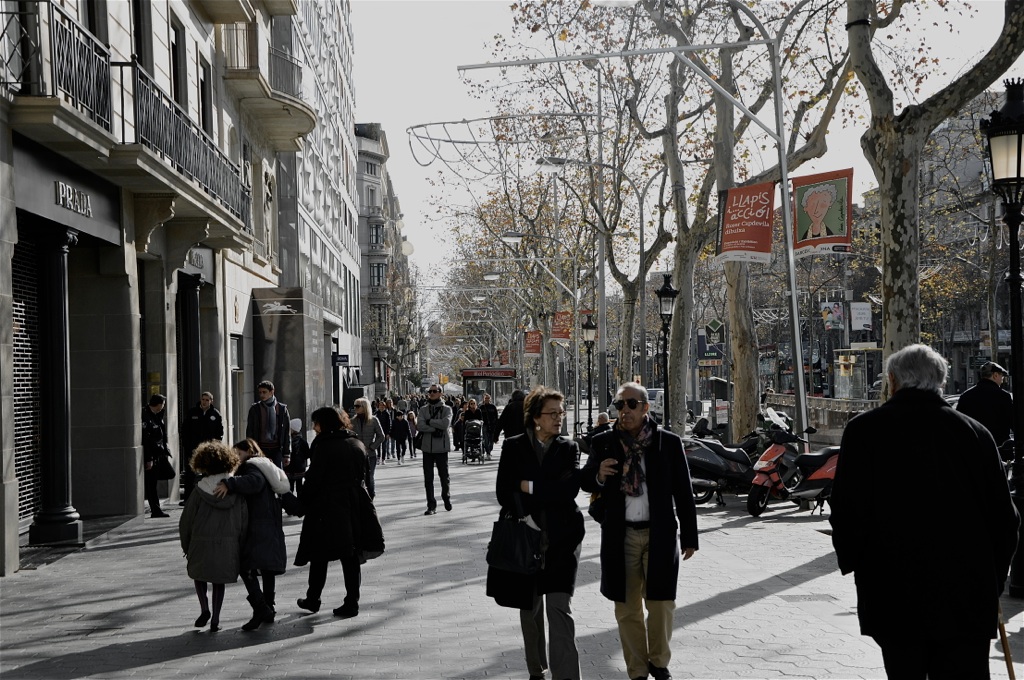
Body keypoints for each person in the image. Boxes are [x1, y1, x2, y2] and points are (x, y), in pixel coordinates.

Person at [830, 344, 1019, 678]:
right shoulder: (975, 434)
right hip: (966, 592)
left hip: (892, 588)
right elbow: (1006, 519)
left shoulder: (864, 431)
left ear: (892, 381)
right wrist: (993, 578)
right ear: (941, 382)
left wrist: (858, 565)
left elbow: (847, 511)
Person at [580, 382, 699, 680]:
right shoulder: (604, 442)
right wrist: (598, 475)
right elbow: (585, 481)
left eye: (631, 404)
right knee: (627, 607)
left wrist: (690, 537)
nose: (625, 411)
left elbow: (684, 492)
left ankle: (659, 663)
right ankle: (637, 670)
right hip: (621, 536)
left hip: (659, 534)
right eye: (620, 405)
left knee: (661, 604)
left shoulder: (667, 443)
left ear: (646, 407)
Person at [486, 386, 585, 680]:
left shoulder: (569, 448)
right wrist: (533, 502)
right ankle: (536, 670)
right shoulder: (514, 446)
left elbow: (569, 491)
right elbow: (504, 490)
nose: (558, 419)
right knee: (529, 609)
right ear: (535, 417)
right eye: (552, 413)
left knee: (559, 607)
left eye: (561, 412)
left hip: (563, 538)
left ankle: (567, 676)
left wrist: (528, 485)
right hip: (523, 534)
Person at [294, 406, 383, 619]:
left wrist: (300, 503)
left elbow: (314, 479)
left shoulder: (324, 446)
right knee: (350, 555)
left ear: (323, 424)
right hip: (353, 504)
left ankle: (313, 599)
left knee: (319, 555)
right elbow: (365, 474)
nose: (314, 428)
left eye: (315, 423)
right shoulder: (355, 442)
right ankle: (352, 601)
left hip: (326, 506)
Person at [215, 439, 291, 631]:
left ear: (248, 452)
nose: (236, 458)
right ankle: (268, 608)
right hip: (269, 524)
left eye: (238, 453)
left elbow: (254, 483)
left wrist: (229, 483)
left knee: (246, 568)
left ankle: (261, 609)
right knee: (266, 568)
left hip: (258, 526)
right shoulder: (267, 466)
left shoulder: (251, 466)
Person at [178, 441, 248, 633]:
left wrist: (187, 546)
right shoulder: (235, 488)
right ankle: (216, 618)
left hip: (200, 542)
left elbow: (186, 521)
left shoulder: (200, 490)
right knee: (219, 581)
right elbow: (244, 520)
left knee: (199, 575)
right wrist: (239, 546)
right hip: (228, 543)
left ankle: (204, 608)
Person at [956, 360, 1014, 452]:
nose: (1002, 380)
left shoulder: (966, 396)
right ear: (995, 375)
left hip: (973, 450)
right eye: (1001, 376)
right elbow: (1014, 422)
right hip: (999, 449)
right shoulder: (1003, 396)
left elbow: (958, 425)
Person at [180, 392, 225, 504]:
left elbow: (219, 433)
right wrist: (187, 445)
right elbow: (185, 430)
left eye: (207, 400)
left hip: (208, 450)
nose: (204, 402)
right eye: (203, 399)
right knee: (190, 474)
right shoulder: (192, 413)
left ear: (211, 401)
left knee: (208, 473)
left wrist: (215, 446)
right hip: (193, 448)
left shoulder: (215, 414)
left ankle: (207, 497)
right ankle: (188, 499)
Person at [417, 384, 453, 515]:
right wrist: (436, 427)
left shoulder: (447, 409)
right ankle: (431, 505)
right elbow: (420, 425)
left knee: (444, 477)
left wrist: (429, 422)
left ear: (440, 393)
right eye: (430, 391)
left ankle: (446, 497)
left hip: (442, 448)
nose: (431, 393)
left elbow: (446, 424)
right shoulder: (423, 409)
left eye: (434, 391)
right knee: (428, 478)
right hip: (427, 448)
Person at [245, 381, 291, 469]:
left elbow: (286, 433)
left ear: (272, 392)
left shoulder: (282, 409)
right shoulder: (255, 409)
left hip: (277, 449)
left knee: (277, 475)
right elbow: (250, 431)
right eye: (260, 392)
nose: (262, 395)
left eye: (264, 392)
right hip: (260, 449)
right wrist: (251, 449)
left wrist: (287, 454)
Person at [142, 393, 171, 518]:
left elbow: (161, 434)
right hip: (151, 456)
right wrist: (149, 459)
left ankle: (156, 509)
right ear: (158, 404)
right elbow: (146, 439)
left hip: (159, 454)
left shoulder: (157, 415)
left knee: (164, 476)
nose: (163, 407)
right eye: (163, 404)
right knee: (151, 484)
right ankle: (155, 510)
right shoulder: (145, 415)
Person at [351, 397, 384, 499]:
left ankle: (371, 496)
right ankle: (360, 498)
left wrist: (372, 446)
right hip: (356, 455)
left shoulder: (373, 420)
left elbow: (381, 436)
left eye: (357, 406)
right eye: (354, 406)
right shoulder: (353, 421)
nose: (355, 408)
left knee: (369, 477)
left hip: (370, 454)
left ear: (364, 407)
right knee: (357, 477)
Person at [286, 419, 310, 495]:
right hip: (300, 469)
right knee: (299, 489)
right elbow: (307, 454)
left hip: (289, 469)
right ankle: (299, 504)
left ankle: (292, 505)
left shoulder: (287, 441)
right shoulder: (303, 442)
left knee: (290, 489)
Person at [479, 393, 499, 459]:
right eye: (485, 398)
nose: (487, 399)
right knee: (485, 439)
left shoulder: (493, 407)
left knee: (491, 440)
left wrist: (496, 424)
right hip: (484, 425)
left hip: (492, 425)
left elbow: (496, 416)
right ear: (483, 399)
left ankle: (489, 450)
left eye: (488, 398)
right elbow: (479, 416)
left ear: (490, 399)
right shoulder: (481, 407)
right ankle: (488, 453)